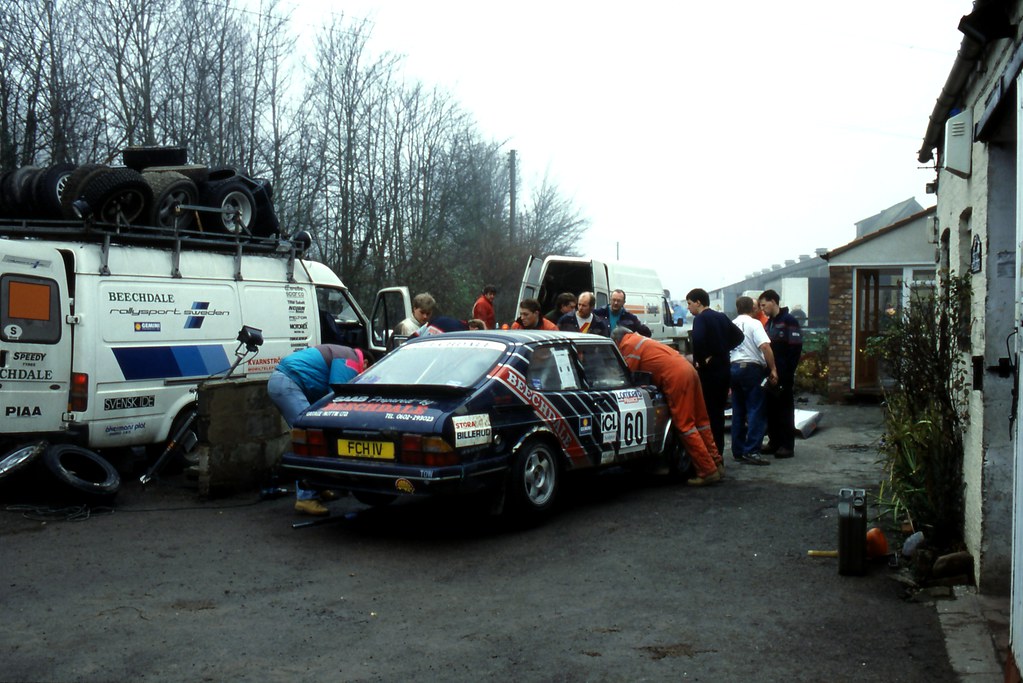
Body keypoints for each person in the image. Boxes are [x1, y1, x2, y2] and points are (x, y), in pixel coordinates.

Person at [613, 329, 723, 486]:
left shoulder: (628, 345)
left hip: (676, 377)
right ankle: (716, 463)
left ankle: (707, 471)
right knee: (701, 421)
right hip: (688, 371)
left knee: (686, 426)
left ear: (617, 341)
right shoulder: (641, 340)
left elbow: (626, 376)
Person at [268, 344, 366, 515]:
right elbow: (337, 395)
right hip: (289, 383)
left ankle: (318, 487)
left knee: (316, 438)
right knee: (310, 438)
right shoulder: (352, 360)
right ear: (365, 363)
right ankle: (306, 497)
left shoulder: (342, 353)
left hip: (285, 382)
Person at [686, 287, 741, 455]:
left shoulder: (701, 319)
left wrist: (703, 361)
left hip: (709, 375)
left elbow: (699, 340)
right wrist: (721, 351)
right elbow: (739, 336)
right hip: (724, 371)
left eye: (689, 303)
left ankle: (712, 455)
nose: (688, 308)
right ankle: (720, 452)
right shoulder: (722, 317)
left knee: (708, 415)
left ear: (698, 302)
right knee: (718, 414)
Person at [730, 296, 778, 466]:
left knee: (738, 410)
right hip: (751, 368)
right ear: (751, 308)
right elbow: (765, 346)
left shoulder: (732, 324)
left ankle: (738, 450)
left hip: (733, 368)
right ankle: (752, 451)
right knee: (756, 409)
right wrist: (773, 369)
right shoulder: (754, 324)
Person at [758, 289, 803, 458]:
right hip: (770, 373)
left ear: (773, 302)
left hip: (784, 373)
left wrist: (786, 372)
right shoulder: (768, 323)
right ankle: (774, 442)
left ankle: (786, 445)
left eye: (764, 305)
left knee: (784, 409)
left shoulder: (789, 321)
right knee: (771, 410)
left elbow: (795, 348)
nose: (762, 309)